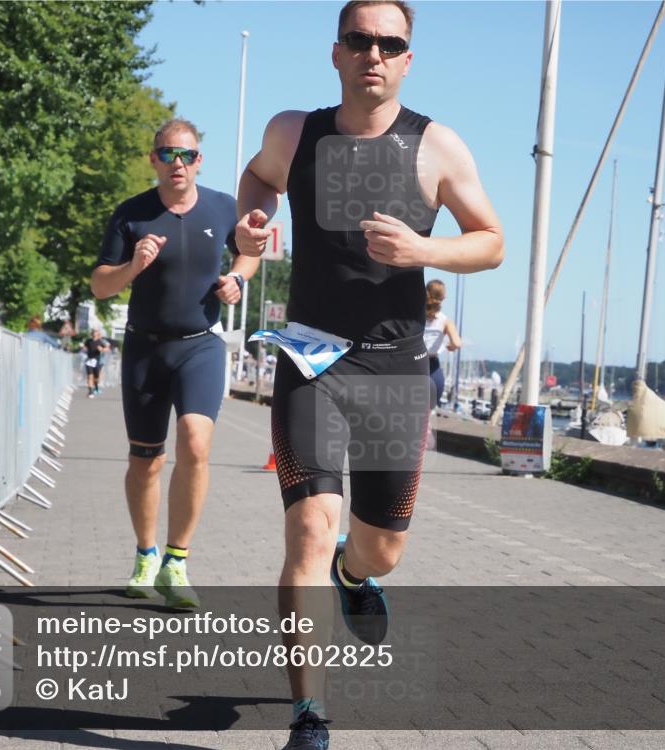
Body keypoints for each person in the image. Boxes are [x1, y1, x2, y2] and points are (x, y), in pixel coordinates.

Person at [235, 3, 503, 746]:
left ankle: (358, 579)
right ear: (337, 52)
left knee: (378, 546)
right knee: (311, 528)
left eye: (391, 44)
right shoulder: (294, 132)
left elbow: (491, 241)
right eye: (360, 40)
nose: (374, 53)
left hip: (394, 369)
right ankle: (308, 717)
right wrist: (250, 226)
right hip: (309, 356)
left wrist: (425, 253)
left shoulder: (436, 146)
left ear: (408, 59)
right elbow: (256, 182)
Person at [91, 117, 259, 608]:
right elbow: (100, 285)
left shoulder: (223, 207)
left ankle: (177, 561)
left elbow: (248, 251)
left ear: (199, 159)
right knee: (145, 461)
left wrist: (239, 279)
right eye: (167, 154)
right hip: (145, 348)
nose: (177, 164)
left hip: (200, 344)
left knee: (195, 442)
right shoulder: (132, 215)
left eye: (186, 155)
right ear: (153, 159)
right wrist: (132, 266)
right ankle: (145, 554)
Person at [423, 278, 461, 409]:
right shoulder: (445, 321)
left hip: (412, 363)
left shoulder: (414, 317)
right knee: (429, 408)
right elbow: (457, 342)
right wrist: (450, 347)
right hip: (432, 366)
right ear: (443, 298)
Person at [83, 329, 111, 397]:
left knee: (96, 378)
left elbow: (108, 349)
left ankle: (96, 386)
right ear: (91, 334)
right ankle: (90, 392)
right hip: (89, 361)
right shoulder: (88, 341)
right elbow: (84, 346)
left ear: (97, 334)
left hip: (97, 361)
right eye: (93, 333)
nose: (94, 334)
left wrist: (102, 349)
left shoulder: (100, 342)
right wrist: (84, 348)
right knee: (90, 376)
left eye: (95, 333)